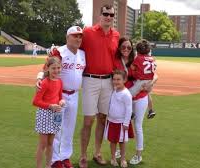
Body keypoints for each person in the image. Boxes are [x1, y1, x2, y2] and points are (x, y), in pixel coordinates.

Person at [36, 26, 85, 168]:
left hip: (74, 95)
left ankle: (65, 157)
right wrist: (39, 78)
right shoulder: (60, 51)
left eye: (80, 36)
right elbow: (46, 67)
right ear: (67, 37)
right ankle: (55, 160)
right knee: (56, 128)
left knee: (69, 128)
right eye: (75, 35)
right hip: (58, 95)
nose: (78, 38)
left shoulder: (83, 54)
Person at [79, 4, 119, 168]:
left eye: (111, 15)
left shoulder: (116, 35)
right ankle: (83, 155)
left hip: (108, 81)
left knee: (103, 118)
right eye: (106, 14)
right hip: (90, 80)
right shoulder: (87, 32)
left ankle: (97, 153)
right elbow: (75, 50)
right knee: (88, 120)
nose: (108, 17)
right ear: (99, 15)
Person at [113, 37, 158, 160]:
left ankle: (138, 155)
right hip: (124, 97)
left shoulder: (136, 59)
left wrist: (150, 83)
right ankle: (118, 150)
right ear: (119, 48)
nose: (126, 49)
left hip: (140, 97)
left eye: (128, 47)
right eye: (123, 47)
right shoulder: (116, 60)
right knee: (121, 123)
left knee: (137, 126)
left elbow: (156, 75)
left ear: (133, 48)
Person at [33, 56, 66, 168]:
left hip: (56, 114)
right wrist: (50, 106)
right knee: (42, 144)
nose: (56, 71)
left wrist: (61, 102)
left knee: (51, 144)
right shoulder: (45, 83)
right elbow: (36, 101)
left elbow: (60, 97)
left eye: (58, 68)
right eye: (53, 68)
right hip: (44, 114)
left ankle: (48, 165)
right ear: (47, 68)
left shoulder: (60, 82)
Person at [129, 39, 157, 165]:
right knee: (136, 126)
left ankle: (138, 154)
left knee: (126, 96)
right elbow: (153, 72)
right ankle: (132, 112)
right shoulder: (152, 59)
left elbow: (133, 72)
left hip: (140, 88)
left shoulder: (138, 58)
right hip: (145, 84)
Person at [104, 70, 133, 168]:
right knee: (113, 141)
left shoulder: (126, 94)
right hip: (112, 121)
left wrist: (126, 123)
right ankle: (113, 158)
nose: (116, 81)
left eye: (118, 79)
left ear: (124, 80)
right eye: (114, 79)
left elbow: (129, 109)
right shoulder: (114, 91)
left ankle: (123, 159)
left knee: (122, 142)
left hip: (121, 123)